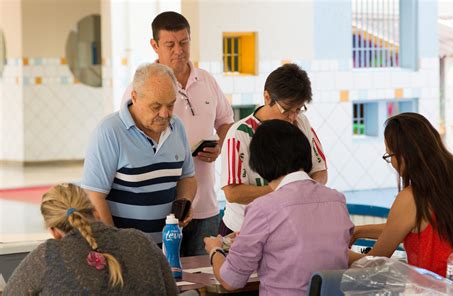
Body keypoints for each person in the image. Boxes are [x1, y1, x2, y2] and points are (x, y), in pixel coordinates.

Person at [122, 11, 234, 256]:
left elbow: (226, 121)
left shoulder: (207, 81)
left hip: (206, 206)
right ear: (155, 45)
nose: (179, 50)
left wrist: (220, 145)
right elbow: (129, 139)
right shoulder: (139, 88)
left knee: (205, 280)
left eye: (184, 42)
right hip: (160, 210)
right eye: (170, 45)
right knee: (165, 280)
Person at [204, 120, 353, 295]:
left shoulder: (263, 208)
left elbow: (232, 280)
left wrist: (215, 249)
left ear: (259, 164)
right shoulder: (337, 200)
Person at [349, 112, 453, 290]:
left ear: (404, 156)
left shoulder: (412, 197)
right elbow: (407, 227)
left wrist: (335, 253)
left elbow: (374, 263)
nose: (391, 162)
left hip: (439, 292)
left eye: (389, 155)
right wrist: (358, 232)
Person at [82, 63, 197, 244]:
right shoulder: (110, 131)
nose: (165, 113)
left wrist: (184, 201)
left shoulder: (177, 128)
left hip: (168, 247)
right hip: (126, 250)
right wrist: (115, 246)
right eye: (156, 106)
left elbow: (187, 177)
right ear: (134, 97)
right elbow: (94, 195)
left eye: (171, 104)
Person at [4, 183, 178, 295]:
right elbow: (172, 292)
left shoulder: (47, 256)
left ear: (54, 232)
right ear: (95, 212)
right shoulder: (141, 241)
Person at [219, 63, 328, 235]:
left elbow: (320, 171)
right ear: (267, 97)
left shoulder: (302, 122)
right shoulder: (240, 133)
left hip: (288, 227)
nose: (292, 117)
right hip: (244, 230)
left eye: (298, 109)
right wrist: (283, 190)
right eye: (286, 110)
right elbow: (232, 193)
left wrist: (305, 192)